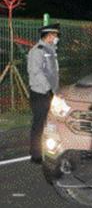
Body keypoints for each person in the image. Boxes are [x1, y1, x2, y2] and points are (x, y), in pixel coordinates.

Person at [27, 23, 60, 164]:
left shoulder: (51, 50)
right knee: (39, 124)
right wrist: (48, 89)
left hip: (50, 93)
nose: (56, 38)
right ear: (49, 35)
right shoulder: (37, 51)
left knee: (52, 124)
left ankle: (50, 150)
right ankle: (36, 155)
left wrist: (55, 90)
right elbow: (36, 72)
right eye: (55, 35)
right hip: (40, 93)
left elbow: (53, 72)